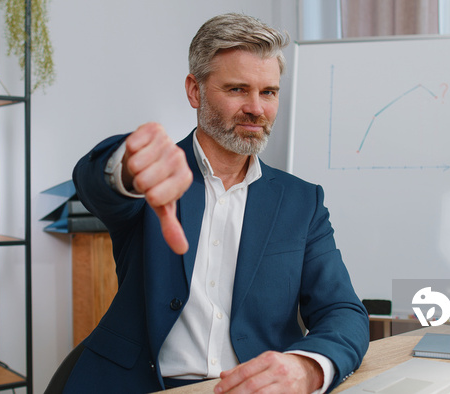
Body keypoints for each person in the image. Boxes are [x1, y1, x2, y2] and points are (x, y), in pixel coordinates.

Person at [62, 13, 369, 394]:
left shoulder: (302, 202)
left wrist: (307, 367)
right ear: (195, 91)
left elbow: (343, 311)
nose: (257, 108)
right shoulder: (154, 181)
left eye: (269, 92)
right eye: (238, 89)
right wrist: (126, 164)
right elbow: (95, 183)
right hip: (143, 384)